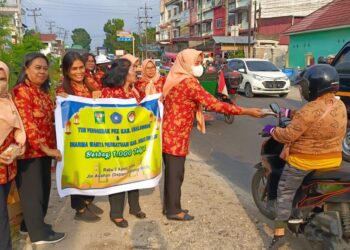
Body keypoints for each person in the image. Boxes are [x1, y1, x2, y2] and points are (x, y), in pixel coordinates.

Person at [162, 49, 264, 221]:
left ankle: (171, 206)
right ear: (186, 63)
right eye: (196, 63)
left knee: (173, 171)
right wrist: (246, 111)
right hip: (176, 135)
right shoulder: (188, 83)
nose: (200, 67)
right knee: (175, 173)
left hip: (170, 131)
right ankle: (173, 210)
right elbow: (214, 104)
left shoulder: (173, 78)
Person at [262, 64, 347, 249]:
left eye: (305, 85)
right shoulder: (339, 104)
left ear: (315, 86)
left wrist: (272, 130)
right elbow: (312, 118)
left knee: (284, 193)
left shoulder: (309, 110)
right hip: (332, 159)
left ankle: (279, 235)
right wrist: (288, 113)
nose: (303, 89)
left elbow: (289, 135)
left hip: (305, 161)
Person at [12, 53, 65, 244]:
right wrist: (48, 149)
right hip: (30, 153)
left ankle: (30, 226)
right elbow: (28, 126)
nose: (42, 72)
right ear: (26, 69)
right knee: (33, 195)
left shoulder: (42, 93)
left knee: (42, 191)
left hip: (44, 153)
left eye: (44, 68)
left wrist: (63, 102)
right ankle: (38, 235)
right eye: (37, 67)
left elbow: (52, 119)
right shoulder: (21, 92)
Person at [56, 52, 103, 222]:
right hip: (74, 141)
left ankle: (87, 200)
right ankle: (80, 208)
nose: (78, 71)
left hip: (92, 139)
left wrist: (98, 94)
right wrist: (59, 101)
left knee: (92, 171)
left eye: (81, 67)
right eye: (73, 68)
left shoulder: (90, 84)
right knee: (77, 172)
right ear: (67, 71)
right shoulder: (63, 90)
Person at [100, 59, 146, 228]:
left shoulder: (135, 92)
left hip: (133, 142)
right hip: (116, 143)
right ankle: (116, 213)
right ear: (123, 73)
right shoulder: (108, 93)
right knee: (118, 176)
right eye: (133, 69)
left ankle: (135, 207)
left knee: (135, 174)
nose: (136, 71)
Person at [0, 61, 26, 250]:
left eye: (2, 79)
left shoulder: (8, 101)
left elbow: (17, 128)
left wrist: (20, 144)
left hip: (7, 167)